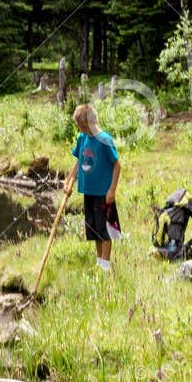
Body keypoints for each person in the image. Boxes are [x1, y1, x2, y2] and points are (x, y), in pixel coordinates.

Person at [65, 102, 122, 270]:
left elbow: (117, 165)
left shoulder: (104, 140)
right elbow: (79, 161)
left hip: (103, 193)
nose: (79, 129)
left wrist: (112, 189)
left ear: (88, 124)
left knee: (106, 230)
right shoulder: (82, 138)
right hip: (88, 192)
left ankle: (106, 266)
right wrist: (69, 180)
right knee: (94, 230)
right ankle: (100, 263)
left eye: (81, 126)